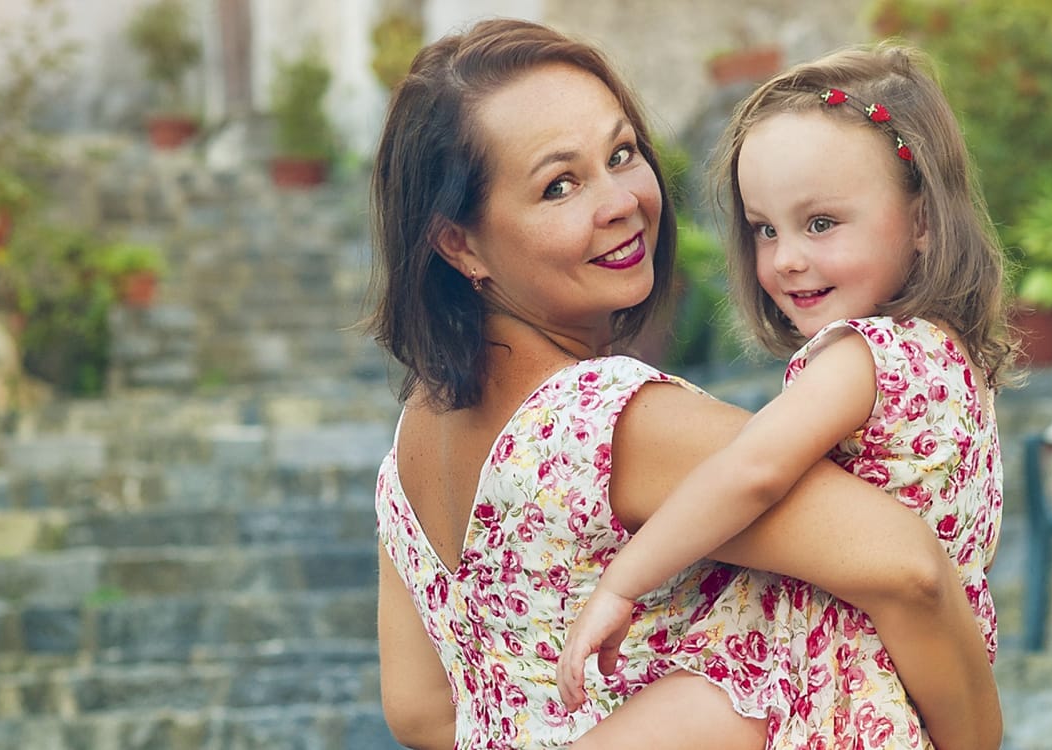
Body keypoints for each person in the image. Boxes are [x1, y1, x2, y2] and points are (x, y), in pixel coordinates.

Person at [364, 18, 1002, 750]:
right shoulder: (604, 421)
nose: (621, 201)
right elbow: (910, 569)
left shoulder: (412, 442)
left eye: (623, 153)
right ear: (460, 243)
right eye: (559, 185)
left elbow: (419, 710)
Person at [559, 42, 1011, 749]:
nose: (787, 257)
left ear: (922, 221)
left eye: (821, 223)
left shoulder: (862, 357)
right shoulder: (952, 362)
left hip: (835, 688)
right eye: (765, 229)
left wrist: (622, 583)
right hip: (902, 701)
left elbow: (751, 472)